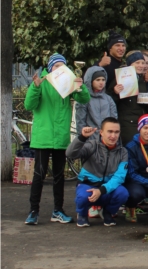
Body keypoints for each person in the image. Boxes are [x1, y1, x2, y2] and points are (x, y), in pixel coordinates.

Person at [24, 53, 89, 225]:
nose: (59, 69)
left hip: (60, 137)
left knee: (59, 176)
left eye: (62, 66)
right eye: (56, 66)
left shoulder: (68, 83)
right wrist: (35, 87)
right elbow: (29, 105)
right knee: (39, 174)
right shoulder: (42, 81)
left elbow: (85, 99)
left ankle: (58, 211)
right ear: (50, 67)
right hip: (43, 137)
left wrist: (80, 86)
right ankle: (33, 211)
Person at [66, 118, 128, 228]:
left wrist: (101, 190)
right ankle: (82, 213)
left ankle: (108, 212)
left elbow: (120, 177)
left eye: (116, 132)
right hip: (88, 185)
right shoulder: (91, 145)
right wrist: (82, 137)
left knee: (123, 193)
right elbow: (70, 154)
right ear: (101, 132)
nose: (113, 136)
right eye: (109, 131)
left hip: (106, 188)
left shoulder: (123, 152)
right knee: (82, 196)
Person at [115, 51, 148, 141]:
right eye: (137, 63)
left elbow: (143, 103)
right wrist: (115, 92)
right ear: (130, 64)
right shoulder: (119, 77)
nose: (141, 65)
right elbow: (111, 99)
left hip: (141, 122)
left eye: (143, 63)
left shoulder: (143, 79)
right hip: (127, 123)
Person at [75, 66, 117, 134]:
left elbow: (114, 120)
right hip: (89, 138)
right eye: (98, 80)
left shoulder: (109, 99)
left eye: (103, 80)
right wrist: (82, 138)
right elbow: (80, 121)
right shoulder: (85, 99)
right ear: (90, 81)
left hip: (106, 138)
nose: (101, 82)